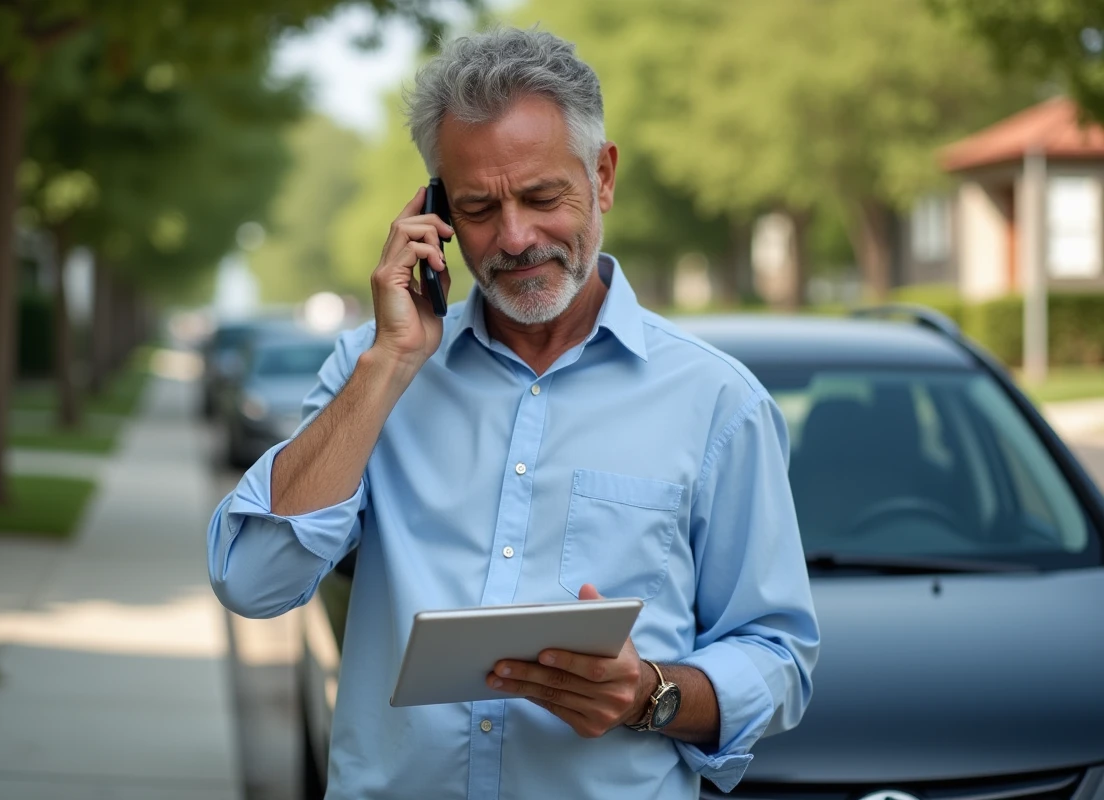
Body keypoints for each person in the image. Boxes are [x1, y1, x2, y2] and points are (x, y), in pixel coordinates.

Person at [207, 26, 819, 800]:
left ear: (602, 175)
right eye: (478, 208)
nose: (516, 237)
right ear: (435, 215)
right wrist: (391, 364)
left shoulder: (718, 403)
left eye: (540, 196)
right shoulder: (370, 372)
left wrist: (649, 694)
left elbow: (780, 656)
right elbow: (251, 581)